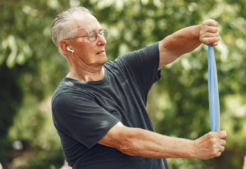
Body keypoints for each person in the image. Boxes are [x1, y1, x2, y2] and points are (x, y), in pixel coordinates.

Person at [50, 6, 227, 169]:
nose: (102, 40)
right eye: (91, 35)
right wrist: (195, 148)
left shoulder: (124, 69)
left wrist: (199, 32)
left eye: (101, 33)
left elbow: (168, 48)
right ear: (67, 47)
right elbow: (126, 141)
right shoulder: (67, 99)